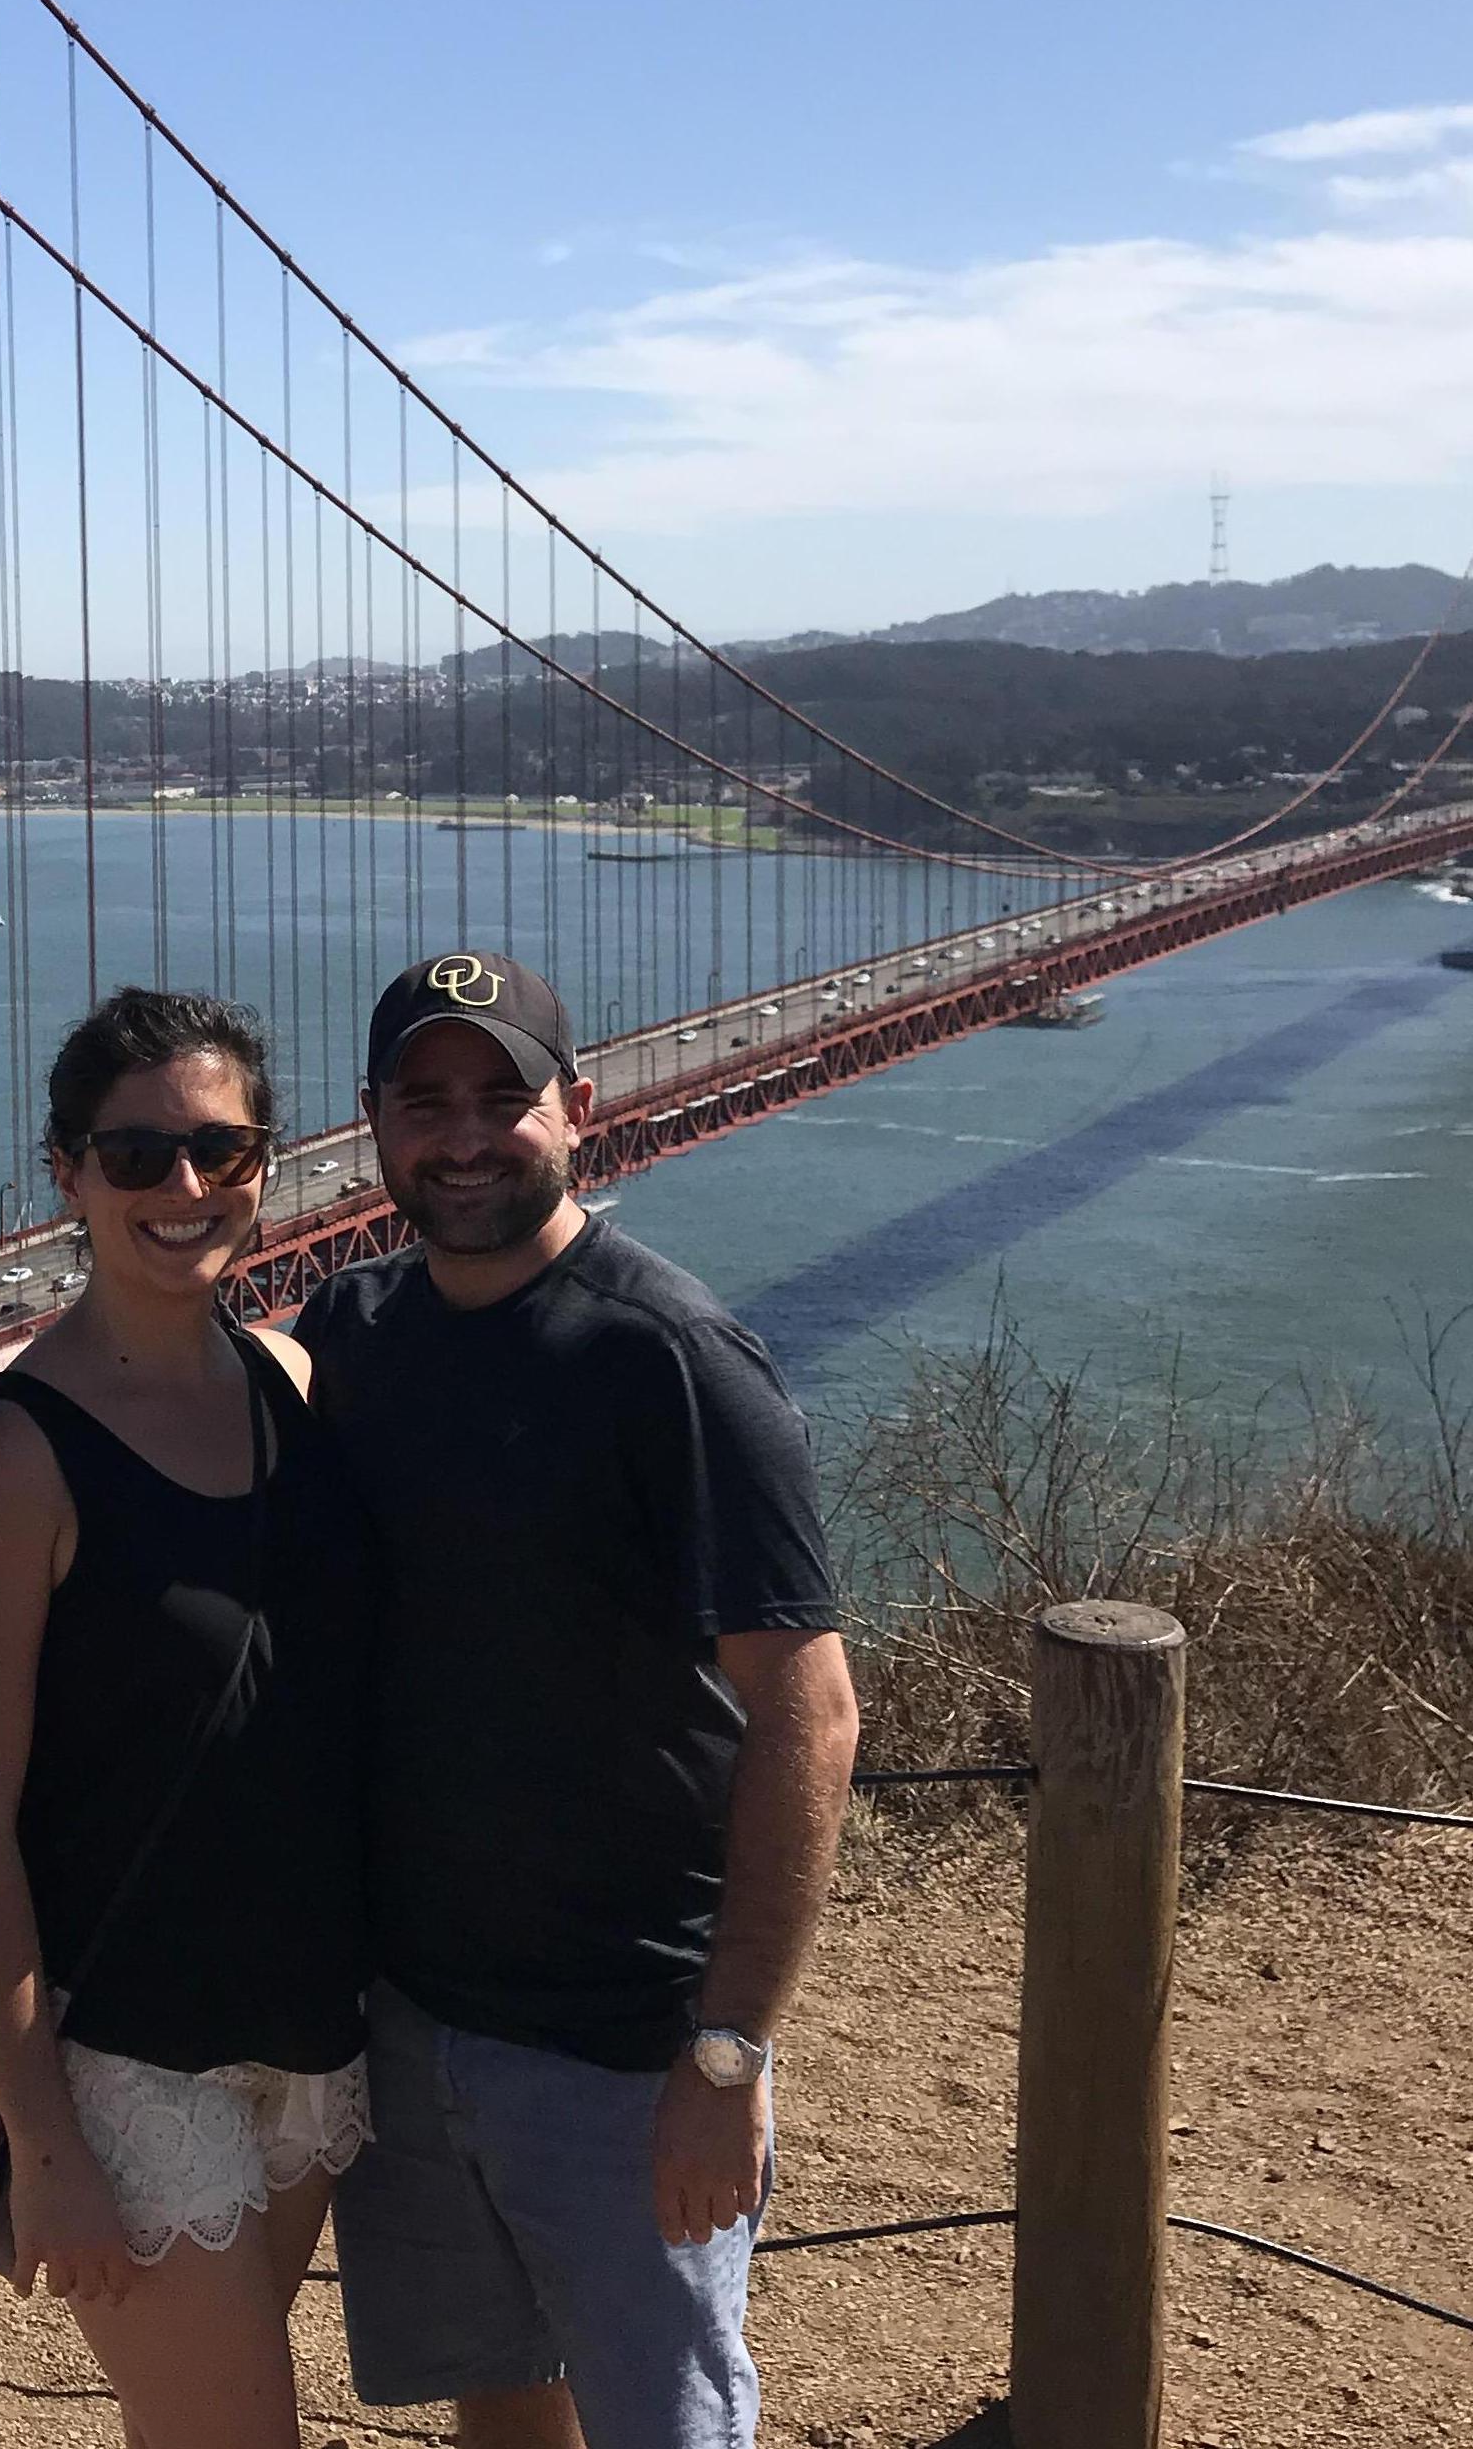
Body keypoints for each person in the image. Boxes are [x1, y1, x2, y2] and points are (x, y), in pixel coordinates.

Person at [298, 950, 860, 2449]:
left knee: (667, 2426)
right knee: (501, 2399)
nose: (466, 1136)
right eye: (427, 1104)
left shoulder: (672, 1360)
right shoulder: (351, 1337)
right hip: (410, 2019)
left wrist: (725, 2058)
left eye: (506, 1096)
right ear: (373, 1125)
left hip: (627, 2044)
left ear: (580, 1107)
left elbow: (812, 1715)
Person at [0, 986, 374, 2449]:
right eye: (136, 1157)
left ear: (266, 1161)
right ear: (67, 1175)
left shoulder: (295, 1383)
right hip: (123, 2064)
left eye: (222, 1151)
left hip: (310, 2031)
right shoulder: (9, 1465)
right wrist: (43, 2144)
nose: (185, 1189)